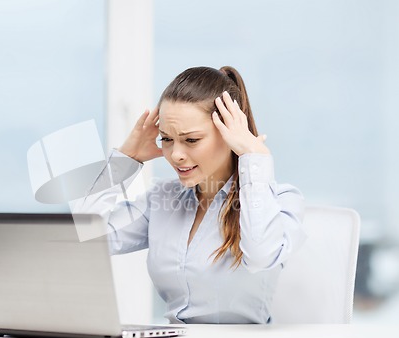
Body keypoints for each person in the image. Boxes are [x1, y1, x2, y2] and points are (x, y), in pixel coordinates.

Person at [73, 66, 306, 324]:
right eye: (166, 139)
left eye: (191, 140)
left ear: (230, 134)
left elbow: (261, 255)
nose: (175, 155)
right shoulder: (162, 200)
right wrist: (125, 159)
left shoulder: (280, 200)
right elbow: (88, 236)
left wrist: (255, 157)